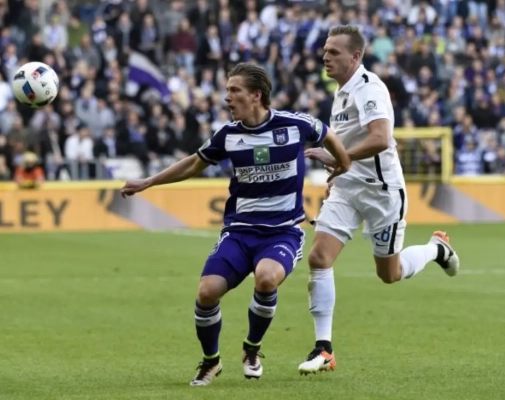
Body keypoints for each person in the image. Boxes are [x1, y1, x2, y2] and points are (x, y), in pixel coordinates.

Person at [120, 62, 351, 386]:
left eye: (234, 90)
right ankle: (211, 361)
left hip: (282, 232)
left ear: (256, 95)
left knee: (267, 278)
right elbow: (193, 164)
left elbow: (329, 135)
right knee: (207, 292)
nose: (227, 97)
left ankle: (252, 349)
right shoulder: (228, 135)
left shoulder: (295, 124)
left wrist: (342, 165)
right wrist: (149, 181)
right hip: (240, 232)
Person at [297, 25, 460, 374]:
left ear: (355, 56)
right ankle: (324, 349)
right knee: (319, 257)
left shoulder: (369, 87)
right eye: (325, 50)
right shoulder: (341, 93)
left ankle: (435, 250)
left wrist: (338, 159)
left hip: (381, 192)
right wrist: (337, 175)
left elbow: (381, 138)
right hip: (347, 188)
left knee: (390, 273)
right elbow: (346, 143)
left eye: (334, 52)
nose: (325, 57)